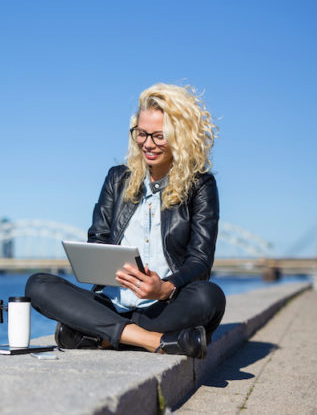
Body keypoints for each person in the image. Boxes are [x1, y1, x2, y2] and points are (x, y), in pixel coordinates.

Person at [25, 83, 225, 358]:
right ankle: (153, 341)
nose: (148, 144)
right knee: (38, 285)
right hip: (111, 302)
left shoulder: (200, 185)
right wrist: (106, 268)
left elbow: (200, 259)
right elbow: (98, 239)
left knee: (209, 297)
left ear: (181, 136)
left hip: (163, 307)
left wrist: (165, 288)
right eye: (141, 134)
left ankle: (103, 335)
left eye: (159, 136)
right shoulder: (117, 178)